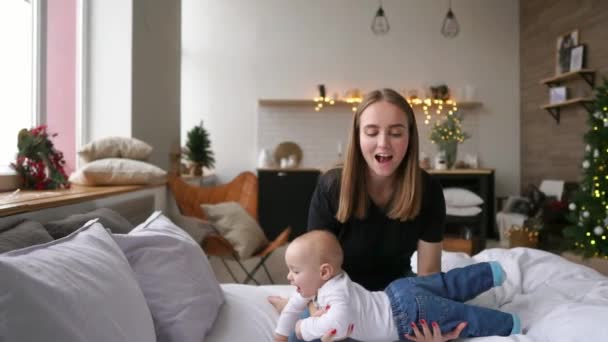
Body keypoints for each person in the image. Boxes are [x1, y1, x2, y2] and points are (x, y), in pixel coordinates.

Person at [268, 88, 466, 341]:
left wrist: (430, 321)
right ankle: (289, 306)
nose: (383, 142)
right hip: (338, 292)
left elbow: (428, 273)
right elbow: (313, 267)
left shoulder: (428, 190)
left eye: (396, 133)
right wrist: (313, 310)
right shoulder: (331, 186)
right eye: (372, 132)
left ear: (410, 137)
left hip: (393, 295)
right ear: (358, 136)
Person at [274, 231, 521, 342]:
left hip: (406, 318)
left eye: (295, 271)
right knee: (448, 284)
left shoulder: (336, 295)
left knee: (463, 317)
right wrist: (281, 335)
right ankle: (491, 271)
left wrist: (303, 328)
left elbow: (336, 321)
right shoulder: (329, 283)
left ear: (323, 271)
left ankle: (509, 324)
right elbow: (294, 305)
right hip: (398, 290)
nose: (289, 277)